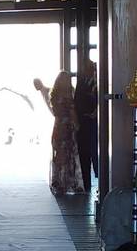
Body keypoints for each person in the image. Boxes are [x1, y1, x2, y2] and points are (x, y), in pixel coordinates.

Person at [49, 71, 83, 194]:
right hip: (67, 127)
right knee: (69, 154)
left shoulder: (53, 94)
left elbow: (55, 112)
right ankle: (70, 182)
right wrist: (77, 123)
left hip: (58, 126)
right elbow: (72, 111)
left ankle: (58, 182)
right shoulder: (68, 94)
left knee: (59, 155)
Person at [73, 59, 99, 193]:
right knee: (83, 152)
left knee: (93, 152)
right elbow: (76, 101)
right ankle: (85, 182)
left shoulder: (97, 82)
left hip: (93, 122)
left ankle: (93, 179)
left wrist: (96, 112)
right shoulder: (82, 83)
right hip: (83, 122)